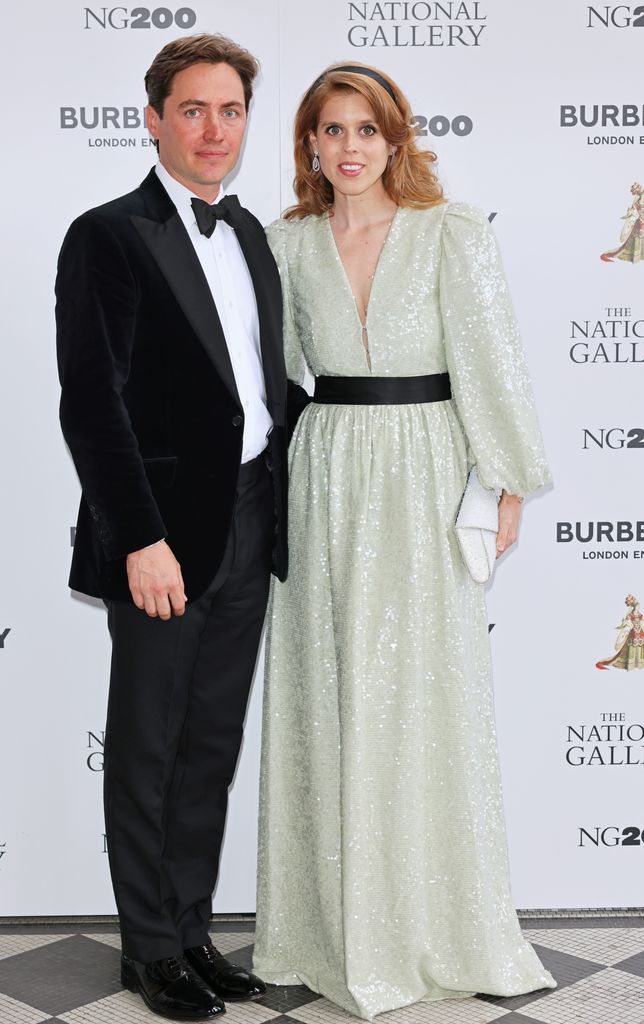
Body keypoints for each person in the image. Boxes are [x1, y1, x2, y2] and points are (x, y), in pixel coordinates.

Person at [253, 63, 556, 1019]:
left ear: (396, 140)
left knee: (423, 693)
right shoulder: (286, 242)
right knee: (327, 690)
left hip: (426, 469)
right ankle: (328, 930)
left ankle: (440, 926)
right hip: (325, 469)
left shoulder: (449, 234)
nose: (349, 148)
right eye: (331, 130)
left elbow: (489, 354)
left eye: (366, 131)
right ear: (309, 143)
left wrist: (503, 477)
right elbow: (268, 373)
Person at [56, 33, 286, 1022]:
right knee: (149, 743)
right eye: (191, 109)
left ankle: (190, 929)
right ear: (153, 118)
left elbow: (259, 392)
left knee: (211, 742)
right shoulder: (106, 234)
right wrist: (140, 536)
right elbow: (91, 403)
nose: (211, 128)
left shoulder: (251, 237)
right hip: (162, 535)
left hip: (247, 519)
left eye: (228, 109)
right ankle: (148, 949)